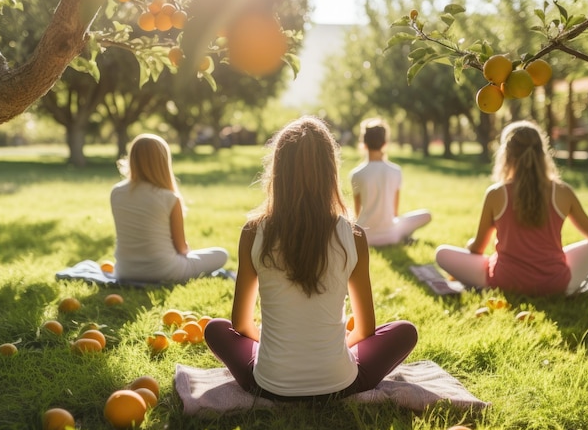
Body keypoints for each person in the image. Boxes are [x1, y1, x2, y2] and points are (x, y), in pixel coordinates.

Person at [204, 116, 418, 401]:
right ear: (330, 171)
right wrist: (337, 347)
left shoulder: (253, 232)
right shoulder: (353, 235)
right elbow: (365, 329)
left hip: (268, 385)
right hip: (340, 384)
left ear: (277, 171)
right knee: (404, 332)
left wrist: (271, 346)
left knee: (216, 329)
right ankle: (329, 362)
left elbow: (241, 324)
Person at [435, 120, 588, 296]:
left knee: (442, 254)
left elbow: (478, 248)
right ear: (542, 153)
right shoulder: (563, 192)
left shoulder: (496, 193)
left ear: (506, 154)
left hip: (504, 281)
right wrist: (554, 256)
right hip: (555, 284)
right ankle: (561, 282)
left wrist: (470, 244)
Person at [110, 133, 229, 283]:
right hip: (164, 272)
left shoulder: (116, 192)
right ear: (163, 161)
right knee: (221, 254)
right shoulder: (169, 198)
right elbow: (181, 248)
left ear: (132, 159)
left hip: (124, 271)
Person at [350, 117, 431, 247]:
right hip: (391, 235)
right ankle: (407, 237)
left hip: (365, 237)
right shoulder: (396, 171)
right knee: (427, 215)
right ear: (385, 143)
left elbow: (357, 214)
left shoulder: (356, 174)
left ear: (363, 144)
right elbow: (394, 212)